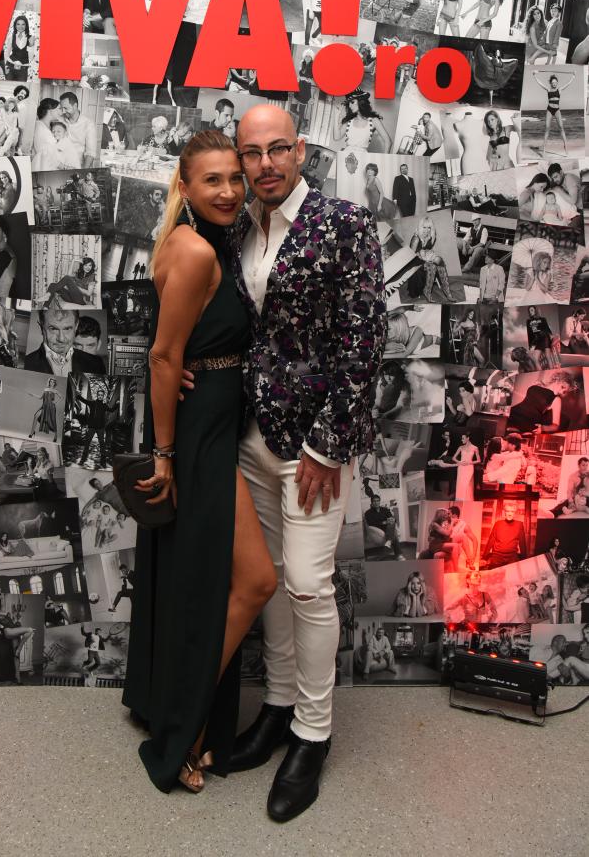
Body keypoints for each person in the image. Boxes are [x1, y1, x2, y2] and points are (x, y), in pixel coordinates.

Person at [223, 105, 385, 820]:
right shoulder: (240, 227)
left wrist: (328, 444)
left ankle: (313, 735)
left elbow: (364, 340)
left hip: (315, 447)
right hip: (253, 438)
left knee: (308, 586)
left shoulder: (344, 224)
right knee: (270, 584)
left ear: (301, 150)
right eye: (252, 152)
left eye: (278, 148)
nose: (266, 163)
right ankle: (279, 706)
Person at [122, 130, 277, 796]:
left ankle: (175, 707)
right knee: (255, 580)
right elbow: (163, 355)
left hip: (212, 422)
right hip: (198, 436)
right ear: (183, 186)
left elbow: (179, 348)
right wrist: (164, 455)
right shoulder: (193, 249)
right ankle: (179, 733)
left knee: (200, 578)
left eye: (235, 178)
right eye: (212, 179)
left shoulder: (203, 241)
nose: (229, 190)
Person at [25, 309, 105, 376]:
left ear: (76, 326)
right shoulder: (27, 365)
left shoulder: (97, 363)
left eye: (67, 329)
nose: (61, 339)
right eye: (53, 329)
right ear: (41, 328)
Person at [507, 370, 574, 434]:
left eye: (564, 391)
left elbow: (556, 426)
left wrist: (543, 428)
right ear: (557, 380)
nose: (561, 392)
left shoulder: (556, 399)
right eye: (562, 387)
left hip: (528, 421)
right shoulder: (539, 384)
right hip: (515, 411)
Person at [75, 384, 118, 468]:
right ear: (97, 395)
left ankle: (103, 462)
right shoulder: (92, 403)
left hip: (100, 428)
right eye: (99, 395)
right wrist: (78, 395)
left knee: (102, 445)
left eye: (102, 395)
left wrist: (117, 404)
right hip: (91, 427)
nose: (100, 396)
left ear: (103, 396)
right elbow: (84, 400)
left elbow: (112, 410)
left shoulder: (104, 406)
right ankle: (82, 460)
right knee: (87, 443)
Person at [532, 71, 574, 156]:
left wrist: (573, 76)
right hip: (549, 110)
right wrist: (535, 76)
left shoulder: (559, 90)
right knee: (547, 128)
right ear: (551, 83)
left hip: (557, 110)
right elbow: (540, 84)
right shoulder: (548, 90)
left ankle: (566, 147)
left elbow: (568, 84)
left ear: (557, 83)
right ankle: (544, 150)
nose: (554, 84)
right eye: (553, 82)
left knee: (561, 127)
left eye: (555, 82)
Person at [483, 501, 528, 568]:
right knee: (494, 572)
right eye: (507, 511)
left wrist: (525, 559)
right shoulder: (498, 524)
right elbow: (491, 540)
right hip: (497, 556)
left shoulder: (519, 525)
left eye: (512, 511)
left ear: (515, 513)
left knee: (513, 572)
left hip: (512, 557)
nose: (510, 514)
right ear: (504, 512)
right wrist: (484, 557)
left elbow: (522, 543)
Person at [59, 91, 97, 168]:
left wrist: (83, 172)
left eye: (66, 108)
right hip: (59, 165)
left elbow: (90, 153)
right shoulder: (59, 120)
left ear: (75, 106)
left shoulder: (88, 124)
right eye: (61, 108)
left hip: (77, 166)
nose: (63, 111)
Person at [364, 495, 405, 560]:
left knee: (392, 524)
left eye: (377, 501)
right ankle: (398, 554)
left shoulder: (385, 510)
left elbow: (393, 519)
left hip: (388, 527)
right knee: (394, 533)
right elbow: (370, 523)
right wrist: (383, 522)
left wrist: (392, 520)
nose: (376, 502)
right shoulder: (368, 513)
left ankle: (389, 542)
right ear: (371, 502)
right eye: (374, 501)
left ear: (379, 501)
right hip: (377, 530)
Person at [4, 15, 34, 81]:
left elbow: (31, 57)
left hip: (23, 69)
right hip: (10, 66)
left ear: (26, 26)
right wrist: (14, 63)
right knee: (8, 86)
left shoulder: (31, 38)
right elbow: (6, 54)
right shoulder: (11, 37)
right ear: (15, 25)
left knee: (20, 86)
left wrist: (31, 44)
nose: (20, 26)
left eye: (23, 24)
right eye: (18, 24)